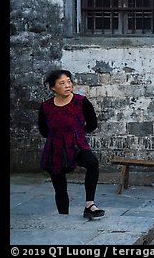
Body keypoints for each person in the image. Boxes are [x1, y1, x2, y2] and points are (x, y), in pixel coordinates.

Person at [38, 69, 105, 219]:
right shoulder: (46, 107)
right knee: (59, 185)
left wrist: (78, 133)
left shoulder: (81, 101)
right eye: (62, 83)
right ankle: (63, 217)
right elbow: (43, 129)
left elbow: (92, 123)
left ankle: (89, 205)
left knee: (92, 163)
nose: (68, 85)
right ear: (53, 87)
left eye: (69, 81)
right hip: (55, 148)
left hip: (76, 145)